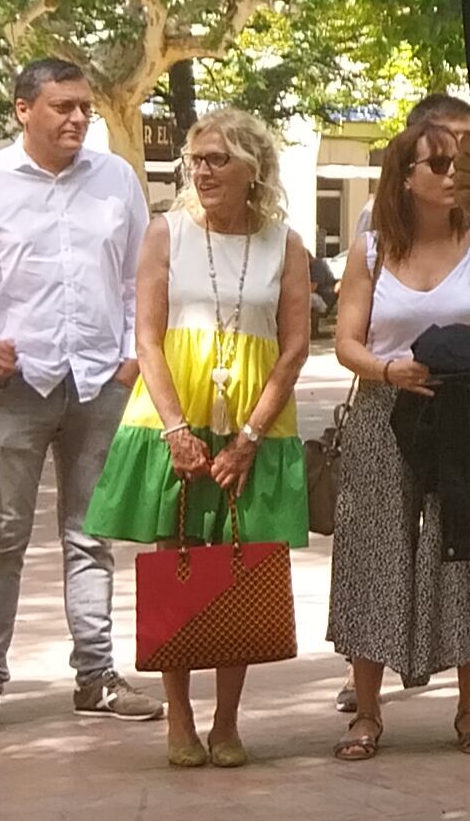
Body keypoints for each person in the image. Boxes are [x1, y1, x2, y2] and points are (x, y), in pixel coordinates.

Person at [0, 57, 163, 738]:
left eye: (83, 106)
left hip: (97, 386)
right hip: (13, 390)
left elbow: (141, 275)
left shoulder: (116, 179)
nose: (79, 118)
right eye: (62, 107)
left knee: (91, 538)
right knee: (1, 537)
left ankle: (97, 676)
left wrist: (129, 357)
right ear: (24, 109)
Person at [84, 106, 312, 769]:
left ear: (254, 170)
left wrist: (248, 436)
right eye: (197, 158)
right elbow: (148, 339)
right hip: (171, 417)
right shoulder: (167, 234)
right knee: (175, 560)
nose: (203, 170)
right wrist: (178, 429)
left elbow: (294, 348)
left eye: (218, 159)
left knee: (241, 566)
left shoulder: (285, 243)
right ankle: (178, 717)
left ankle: (228, 720)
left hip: (255, 421)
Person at [324, 101, 470, 759]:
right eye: (437, 161)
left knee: (468, 546)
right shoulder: (372, 248)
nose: (451, 170)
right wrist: (386, 370)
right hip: (387, 409)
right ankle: (366, 712)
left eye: (460, 160)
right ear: (405, 174)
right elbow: (346, 342)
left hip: (465, 409)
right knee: (377, 551)